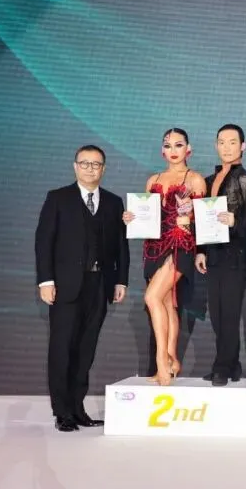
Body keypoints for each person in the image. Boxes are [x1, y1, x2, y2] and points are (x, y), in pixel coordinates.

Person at [36, 145, 129, 432]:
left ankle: (77, 409)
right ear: (75, 166)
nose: (90, 168)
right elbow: (44, 241)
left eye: (96, 164)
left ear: (104, 169)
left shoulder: (113, 202)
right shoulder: (58, 198)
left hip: (99, 285)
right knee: (62, 348)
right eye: (85, 163)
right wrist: (46, 281)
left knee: (85, 349)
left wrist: (121, 280)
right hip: (65, 286)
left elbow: (121, 246)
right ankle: (61, 411)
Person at [123, 128, 206, 386]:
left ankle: (161, 362)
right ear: (162, 150)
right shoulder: (153, 180)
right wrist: (131, 217)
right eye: (168, 145)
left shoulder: (195, 179)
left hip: (180, 243)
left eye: (178, 145)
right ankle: (172, 359)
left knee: (152, 297)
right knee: (167, 303)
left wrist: (190, 216)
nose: (173, 150)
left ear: (188, 149)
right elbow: (148, 215)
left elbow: (205, 219)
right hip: (154, 245)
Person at [195, 124, 246, 386]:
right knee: (216, 314)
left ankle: (222, 366)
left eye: (232, 142)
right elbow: (202, 220)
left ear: (243, 146)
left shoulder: (245, 179)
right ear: (216, 145)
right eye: (222, 142)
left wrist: (235, 221)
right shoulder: (209, 180)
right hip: (213, 255)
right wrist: (200, 251)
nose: (227, 147)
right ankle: (231, 364)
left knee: (230, 313)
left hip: (235, 255)